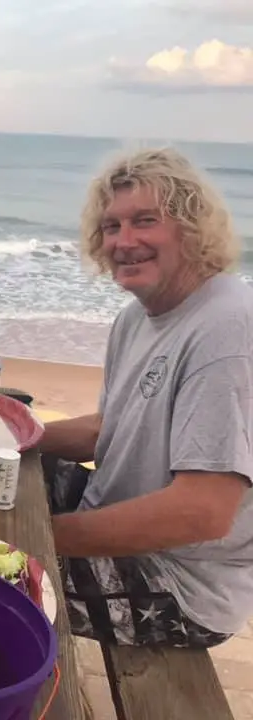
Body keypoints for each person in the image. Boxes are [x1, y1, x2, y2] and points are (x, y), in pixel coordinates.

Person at [38, 147, 253, 649]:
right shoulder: (137, 317)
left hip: (179, 585)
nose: (124, 241)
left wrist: (39, 537)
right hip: (115, 509)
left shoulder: (228, 329)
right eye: (112, 227)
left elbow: (202, 511)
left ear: (191, 230)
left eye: (145, 221)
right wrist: (17, 433)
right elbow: (110, 428)